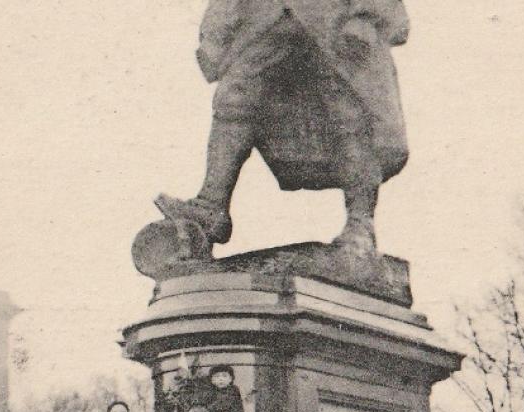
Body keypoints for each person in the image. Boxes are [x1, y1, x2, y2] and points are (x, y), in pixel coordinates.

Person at [152, 0, 410, 256]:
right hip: (266, 15)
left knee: (349, 111)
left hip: (334, 16)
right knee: (234, 99)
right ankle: (211, 205)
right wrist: (217, 27)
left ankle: (360, 224)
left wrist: (366, 15)